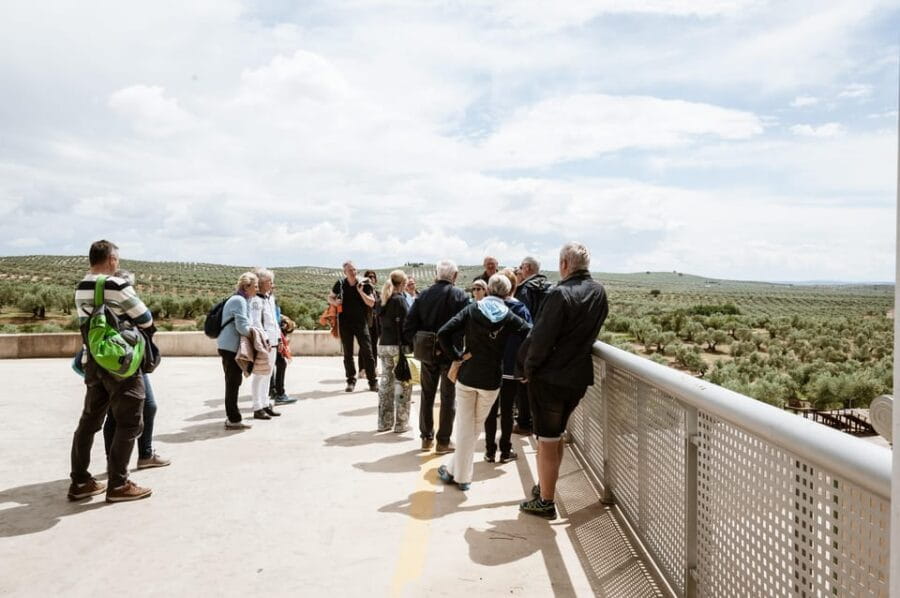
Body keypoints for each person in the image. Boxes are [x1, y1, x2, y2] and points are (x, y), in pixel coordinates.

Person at [520, 242, 608, 520]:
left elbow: (541, 339)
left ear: (564, 265)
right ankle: (546, 488)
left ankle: (545, 501)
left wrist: (527, 369)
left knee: (546, 439)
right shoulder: (599, 292)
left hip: (550, 380)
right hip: (578, 378)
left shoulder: (560, 294)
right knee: (555, 435)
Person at [68, 240, 154, 503]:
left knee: (88, 422)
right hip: (120, 363)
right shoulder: (117, 285)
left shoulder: (81, 287)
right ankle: (118, 484)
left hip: (93, 362)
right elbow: (145, 318)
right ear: (111, 259)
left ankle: (80, 481)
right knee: (129, 422)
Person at [435, 274, 531, 491]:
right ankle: (458, 474)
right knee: (474, 427)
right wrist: (522, 361)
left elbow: (444, 332)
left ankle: (459, 474)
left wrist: (457, 355)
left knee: (465, 426)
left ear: (488, 289)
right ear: (507, 293)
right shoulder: (508, 315)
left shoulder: (472, 309)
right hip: (491, 380)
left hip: (468, 375)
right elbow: (530, 333)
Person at [101, 269, 169, 470]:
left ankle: (137, 456)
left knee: (127, 411)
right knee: (138, 408)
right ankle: (130, 458)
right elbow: (146, 319)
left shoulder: (107, 303)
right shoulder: (119, 303)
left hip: (123, 359)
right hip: (124, 359)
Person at [403, 260, 469, 453]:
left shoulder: (423, 295)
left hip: (428, 354)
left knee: (427, 394)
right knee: (449, 398)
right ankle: (443, 441)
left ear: (436, 274)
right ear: (454, 276)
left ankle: (426, 439)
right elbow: (467, 327)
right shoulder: (461, 296)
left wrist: (421, 343)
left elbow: (408, 327)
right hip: (452, 355)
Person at [484, 269, 531, 464]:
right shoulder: (520, 309)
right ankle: (505, 449)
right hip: (511, 367)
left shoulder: (482, 308)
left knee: (490, 410)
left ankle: (489, 450)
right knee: (507, 409)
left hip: (489, 366)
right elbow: (529, 336)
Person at [512, 256, 553, 436]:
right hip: (548, 344)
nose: (519, 271)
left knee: (523, 383)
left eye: (521, 267)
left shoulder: (525, 289)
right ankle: (542, 424)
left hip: (528, 343)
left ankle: (524, 423)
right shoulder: (551, 287)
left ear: (527, 268)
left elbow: (523, 320)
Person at [328, 261, 377, 393]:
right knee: (348, 354)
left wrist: (361, 292)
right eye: (350, 270)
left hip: (361, 323)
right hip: (345, 324)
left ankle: (373, 382)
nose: (353, 272)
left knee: (368, 351)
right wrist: (335, 301)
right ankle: (350, 381)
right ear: (345, 272)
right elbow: (330, 297)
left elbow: (372, 303)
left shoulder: (364, 284)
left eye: (354, 269)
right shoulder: (340, 284)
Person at [217, 272, 257, 429]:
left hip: (228, 346)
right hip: (230, 347)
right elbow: (242, 327)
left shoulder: (240, 299)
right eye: (255, 286)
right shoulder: (239, 301)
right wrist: (255, 334)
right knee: (232, 383)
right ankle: (233, 419)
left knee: (233, 382)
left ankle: (233, 417)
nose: (257, 289)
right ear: (246, 287)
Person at [377, 270, 412, 433]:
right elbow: (407, 326)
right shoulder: (400, 301)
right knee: (402, 386)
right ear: (403, 284)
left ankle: (384, 422)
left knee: (386, 385)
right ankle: (401, 423)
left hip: (383, 345)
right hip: (399, 348)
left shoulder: (382, 300)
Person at [249, 268, 281, 420]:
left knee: (268, 374)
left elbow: (273, 320)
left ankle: (265, 403)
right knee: (259, 375)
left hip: (274, 341)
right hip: (265, 343)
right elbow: (256, 322)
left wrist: (279, 338)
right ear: (261, 283)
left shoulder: (270, 298)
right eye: (269, 281)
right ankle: (257, 407)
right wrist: (265, 339)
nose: (271, 284)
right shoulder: (256, 300)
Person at [270, 313, 297, 405]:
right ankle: (280, 393)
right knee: (281, 364)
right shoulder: (268, 301)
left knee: (271, 366)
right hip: (272, 337)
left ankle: (273, 390)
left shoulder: (270, 302)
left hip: (271, 337)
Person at [364, 270, 381, 373]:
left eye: (373, 277)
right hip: (366, 321)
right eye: (369, 277)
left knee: (374, 345)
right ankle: (362, 369)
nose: (371, 278)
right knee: (365, 346)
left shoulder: (376, 292)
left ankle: (374, 367)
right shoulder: (364, 292)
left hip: (375, 321)